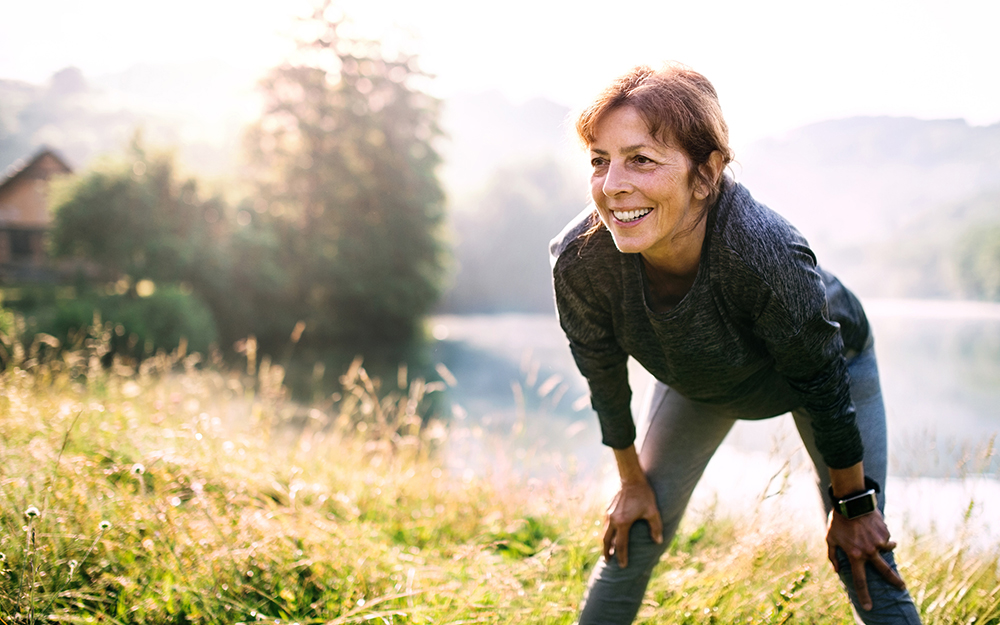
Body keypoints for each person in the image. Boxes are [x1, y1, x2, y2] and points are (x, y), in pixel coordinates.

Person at [549, 63, 922, 624]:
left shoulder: (764, 253)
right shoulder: (580, 259)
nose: (613, 185)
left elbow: (821, 382)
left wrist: (853, 505)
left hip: (825, 370)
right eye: (600, 160)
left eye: (641, 159)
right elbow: (599, 367)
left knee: (860, 552)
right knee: (633, 533)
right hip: (700, 377)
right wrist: (630, 481)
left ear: (706, 174)